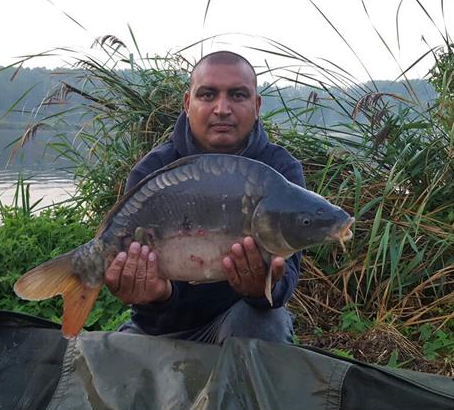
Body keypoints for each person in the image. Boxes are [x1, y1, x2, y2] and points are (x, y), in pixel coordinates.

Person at [104, 51, 306, 344]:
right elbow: (147, 301)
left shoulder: (279, 171)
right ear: (188, 103)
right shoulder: (153, 171)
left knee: (266, 324)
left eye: (238, 95)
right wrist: (158, 294)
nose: (222, 109)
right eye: (208, 95)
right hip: (160, 328)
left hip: (239, 321)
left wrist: (261, 288)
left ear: (257, 105)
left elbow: (285, 279)